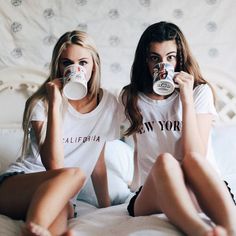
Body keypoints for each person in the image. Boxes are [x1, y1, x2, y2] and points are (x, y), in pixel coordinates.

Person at [0, 30, 121, 236]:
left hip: (62, 195)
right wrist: (55, 104)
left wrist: (106, 209)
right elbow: (54, 166)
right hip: (17, 185)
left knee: (64, 209)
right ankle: (33, 227)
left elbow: (97, 164)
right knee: (74, 174)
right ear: (59, 66)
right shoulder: (42, 103)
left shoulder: (108, 104)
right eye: (67, 63)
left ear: (94, 66)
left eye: (83, 63)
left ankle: (43, 232)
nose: (76, 69)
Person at [121, 21, 236, 236]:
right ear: (145, 61)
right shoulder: (132, 97)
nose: (162, 64)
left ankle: (231, 230)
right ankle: (199, 230)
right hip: (153, 190)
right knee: (165, 161)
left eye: (170, 57)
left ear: (180, 59)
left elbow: (194, 155)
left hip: (198, 187)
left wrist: (186, 99)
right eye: (155, 58)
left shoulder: (199, 93)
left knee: (189, 160)